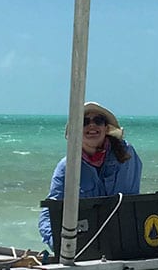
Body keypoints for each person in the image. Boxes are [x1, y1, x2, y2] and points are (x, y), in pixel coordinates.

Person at [38, 100, 142, 250]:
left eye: (98, 121)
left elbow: (129, 203)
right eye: (84, 122)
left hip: (124, 240)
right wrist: (60, 246)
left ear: (106, 128)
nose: (91, 125)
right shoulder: (66, 166)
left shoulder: (126, 155)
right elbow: (50, 211)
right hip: (85, 243)